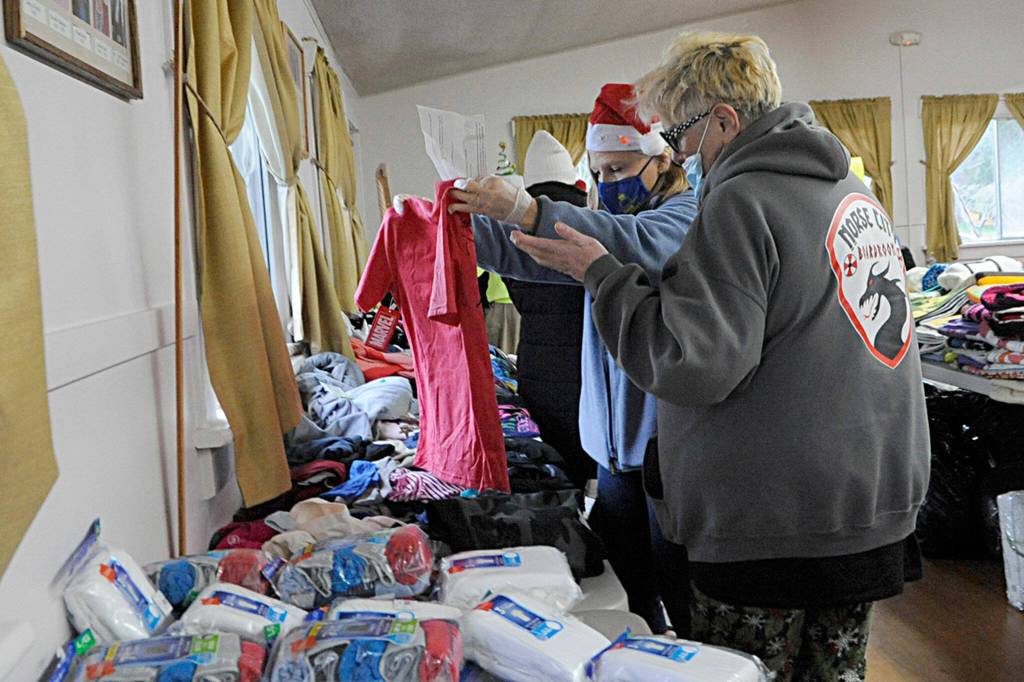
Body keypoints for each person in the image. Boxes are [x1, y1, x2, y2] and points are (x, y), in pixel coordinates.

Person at [509, 32, 930, 681]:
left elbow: (693, 364)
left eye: (682, 134)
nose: (681, 153)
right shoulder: (849, 189)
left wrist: (606, 279)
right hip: (866, 507)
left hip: (771, 525)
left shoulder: (741, 200)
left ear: (725, 120)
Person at [447, 83, 697, 635]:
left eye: (619, 169)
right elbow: (535, 255)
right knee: (632, 594)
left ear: (661, 160)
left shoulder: (687, 212)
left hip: (664, 445)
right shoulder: (599, 212)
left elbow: (636, 244)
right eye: (599, 172)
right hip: (610, 447)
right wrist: (458, 230)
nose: (607, 185)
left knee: (680, 592)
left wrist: (528, 208)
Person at [502, 131, 593, 489]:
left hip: (536, 360)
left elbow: (514, 288)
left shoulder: (515, 229)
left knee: (552, 461)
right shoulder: (592, 223)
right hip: (586, 363)